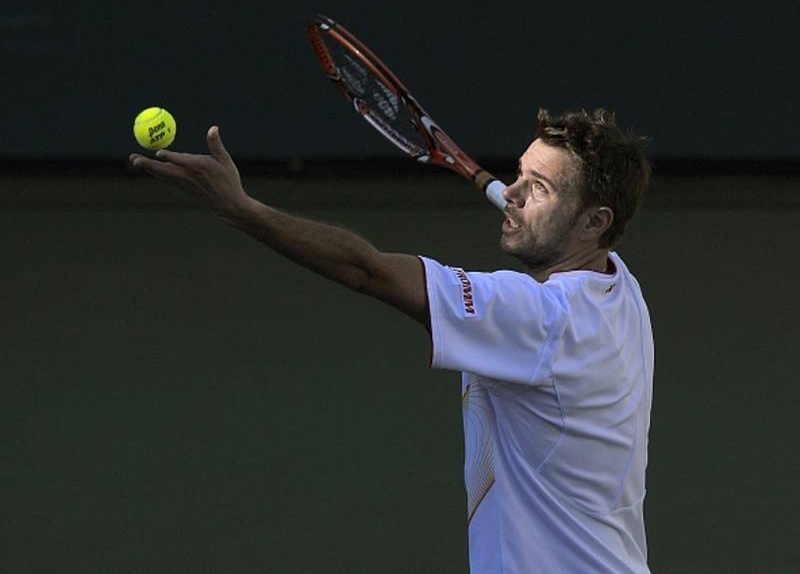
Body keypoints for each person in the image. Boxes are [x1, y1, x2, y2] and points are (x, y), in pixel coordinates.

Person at [130, 108, 654, 574]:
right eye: (518, 174)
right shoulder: (619, 287)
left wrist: (242, 209)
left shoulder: (543, 319)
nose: (511, 193)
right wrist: (540, 204)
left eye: (539, 188)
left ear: (594, 222)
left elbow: (367, 271)